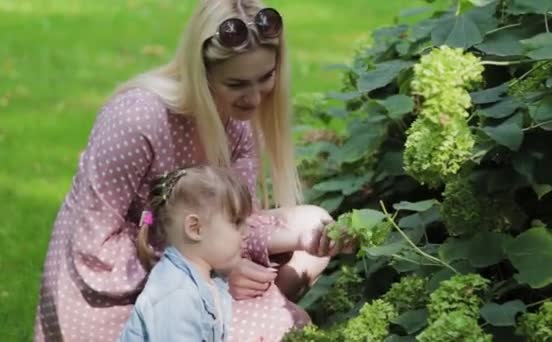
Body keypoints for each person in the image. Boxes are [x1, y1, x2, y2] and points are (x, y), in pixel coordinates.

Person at [34, 0, 352, 341]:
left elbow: (237, 220)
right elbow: (92, 247)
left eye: (266, 77)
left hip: (196, 262)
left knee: (312, 225)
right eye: (237, 84)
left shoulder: (237, 123)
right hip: (112, 294)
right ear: (201, 72)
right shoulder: (137, 119)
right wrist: (213, 267)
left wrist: (304, 240)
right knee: (286, 324)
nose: (255, 98)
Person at [119, 166, 253, 341]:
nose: (247, 232)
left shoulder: (206, 280)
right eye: (236, 222)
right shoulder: (176, 295)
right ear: (195, 228)